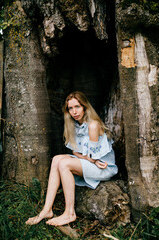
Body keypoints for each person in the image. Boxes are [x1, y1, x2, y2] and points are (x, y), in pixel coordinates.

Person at [26, 91, 118, 226]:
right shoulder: (75, 125)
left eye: (77, 107)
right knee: (57, 159)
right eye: (70, 108)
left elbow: (93, 157)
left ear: (85, 107)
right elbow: (77, 153)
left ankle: (69, 213)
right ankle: (47, 209)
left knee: (64, 164)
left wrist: (91, 159)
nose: (74, 112)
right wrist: (90, 159)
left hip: (103, 167)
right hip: (91, 163)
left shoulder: (93, 125)